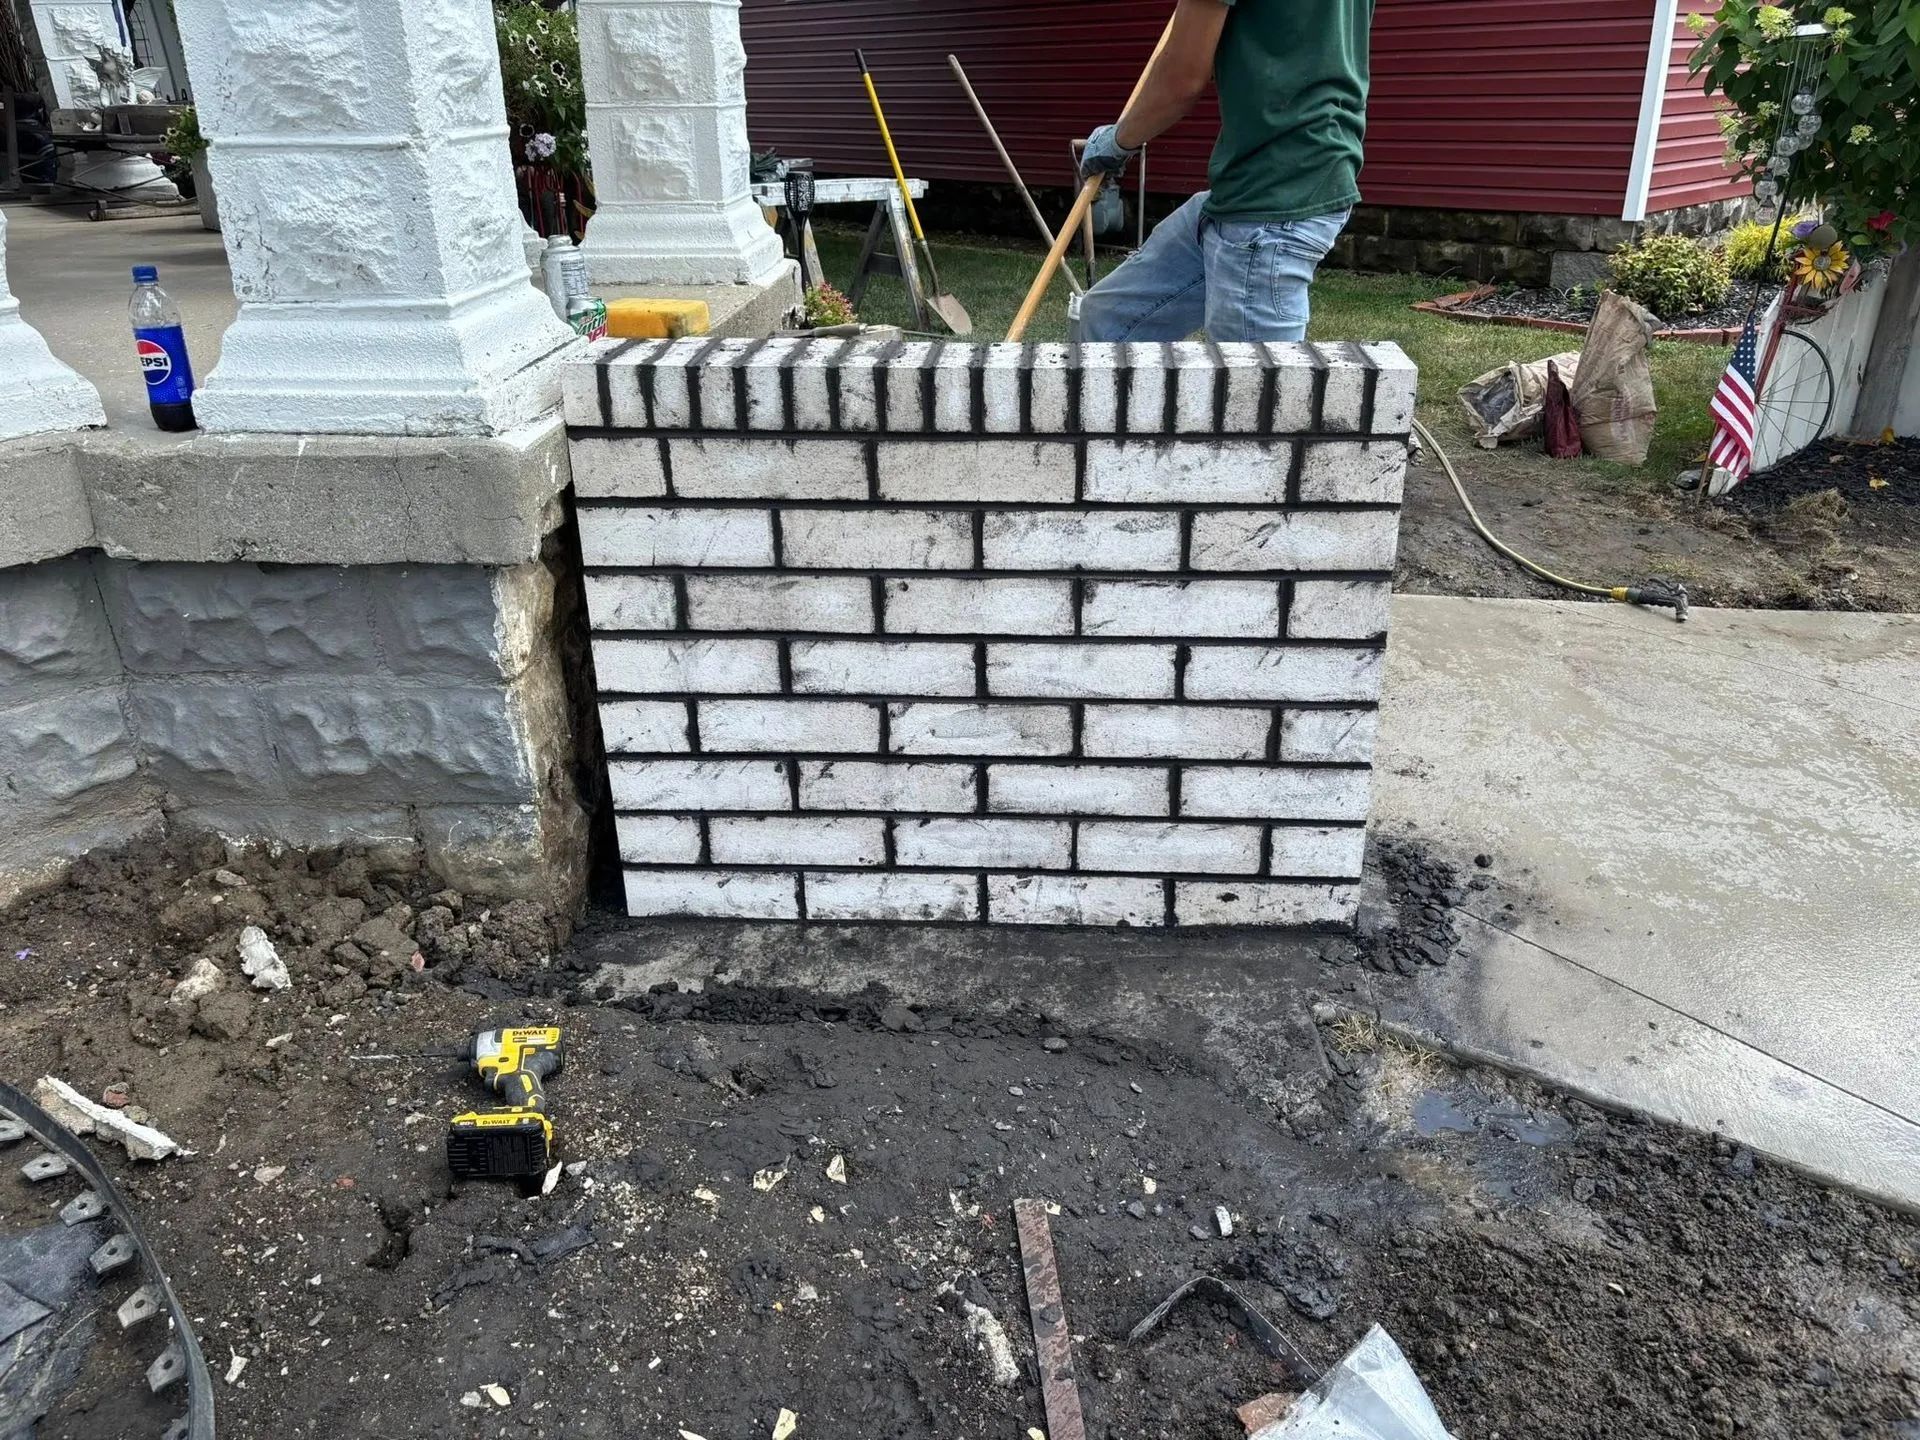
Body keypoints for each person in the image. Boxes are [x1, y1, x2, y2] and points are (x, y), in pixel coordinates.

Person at [1073, 0, 1372, 343]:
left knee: (1250, 389)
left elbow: (1181, 80)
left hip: (1271, 201)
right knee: (1108, 320)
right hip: (1253, 184)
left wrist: (1116, 142)